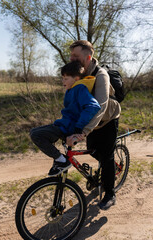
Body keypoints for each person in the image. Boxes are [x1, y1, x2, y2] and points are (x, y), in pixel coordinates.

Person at [67, 40, 121, 210]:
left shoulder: (101, 75)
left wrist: (82, 131)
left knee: (106, 156)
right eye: (71, 56)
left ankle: (110, 194)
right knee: (93, 150)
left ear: (88, 57)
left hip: (107, 120)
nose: (72, 59)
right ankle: (108, 169)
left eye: (76, 56)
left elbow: (100, 107)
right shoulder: (78, 74)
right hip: (91, 123)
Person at [30, 61, 101, 176]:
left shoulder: (79, 88)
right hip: (64, 124)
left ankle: (62, 161)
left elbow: (93, 106)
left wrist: (79, 127)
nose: (63, 81)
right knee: (34, 132)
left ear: (76, 78)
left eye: (66, 78)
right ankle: (60, 160)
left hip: (70, 127)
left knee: (36, 134)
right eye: (62, 78)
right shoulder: (72, 89)